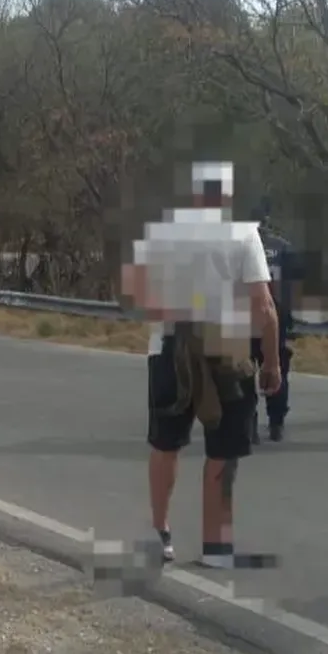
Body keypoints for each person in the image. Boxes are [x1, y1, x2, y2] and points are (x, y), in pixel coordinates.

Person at [124, 162, 282, 567]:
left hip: (170, 346)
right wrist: (271, 360)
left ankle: (160, 533)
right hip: (226, 345)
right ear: (227, 195)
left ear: (193, 195)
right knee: (224, 450)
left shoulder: (161, 233)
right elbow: (263, 304)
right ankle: (216, 546)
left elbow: (138, 299)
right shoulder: (244, 233)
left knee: (166, 444)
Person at [250, 212, 298, 443]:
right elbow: (292, 286)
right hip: (276, 316)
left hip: (246, 316)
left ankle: (248, 423)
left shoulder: (239, 245)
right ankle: (276, 422)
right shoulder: (283, 247)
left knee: (244, 372)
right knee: (276, 367)